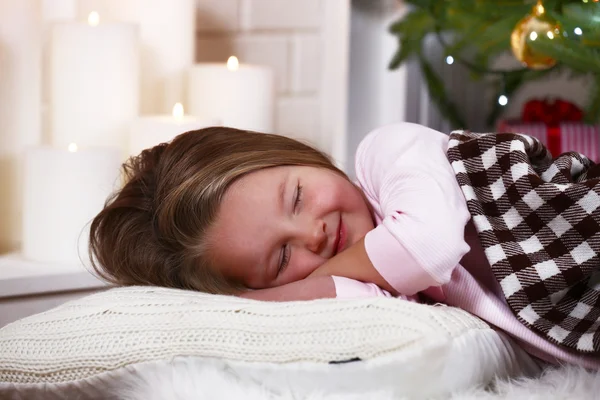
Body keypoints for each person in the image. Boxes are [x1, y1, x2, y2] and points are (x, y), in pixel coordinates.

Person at [89, 122, 600, 369]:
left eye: (296, 197)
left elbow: (427, 245)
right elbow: (352, 298)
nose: (312, 232)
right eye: (282, 257)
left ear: (296, 155)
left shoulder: (390, 155)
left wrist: (293, 280)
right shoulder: (387, 290)